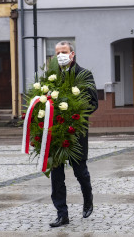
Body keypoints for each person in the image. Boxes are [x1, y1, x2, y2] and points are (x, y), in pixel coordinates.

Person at [49, 41, 99, 227]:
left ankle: (88, 198)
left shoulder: (84, 74)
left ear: (72, 54)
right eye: (57, 52)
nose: (60, 55)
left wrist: (74, 114)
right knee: (56, 175)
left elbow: (93, 103)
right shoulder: (52, 76)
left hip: (76, 131)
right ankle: (62, 213)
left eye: (64, 52)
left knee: (80, 172)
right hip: (55, 133)